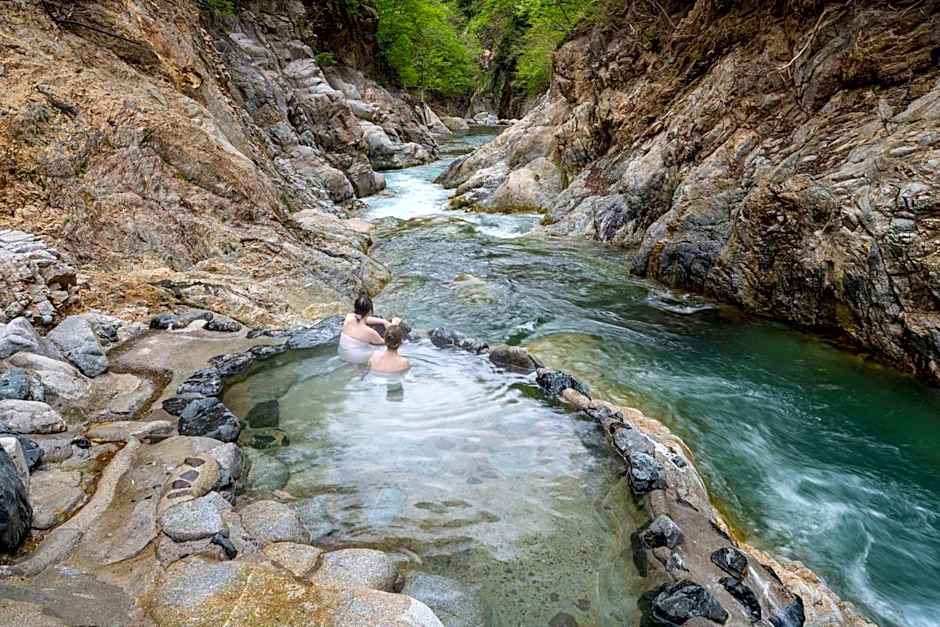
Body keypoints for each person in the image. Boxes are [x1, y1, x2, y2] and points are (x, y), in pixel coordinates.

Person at [338, 295, 399, 364]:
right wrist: (394, 325)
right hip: (356, 358)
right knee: (392, 348)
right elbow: (388, 342)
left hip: (343, 353)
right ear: (369, 311)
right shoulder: (370, 332)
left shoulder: (349, 317)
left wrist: (384, 321)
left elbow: (365, 319)